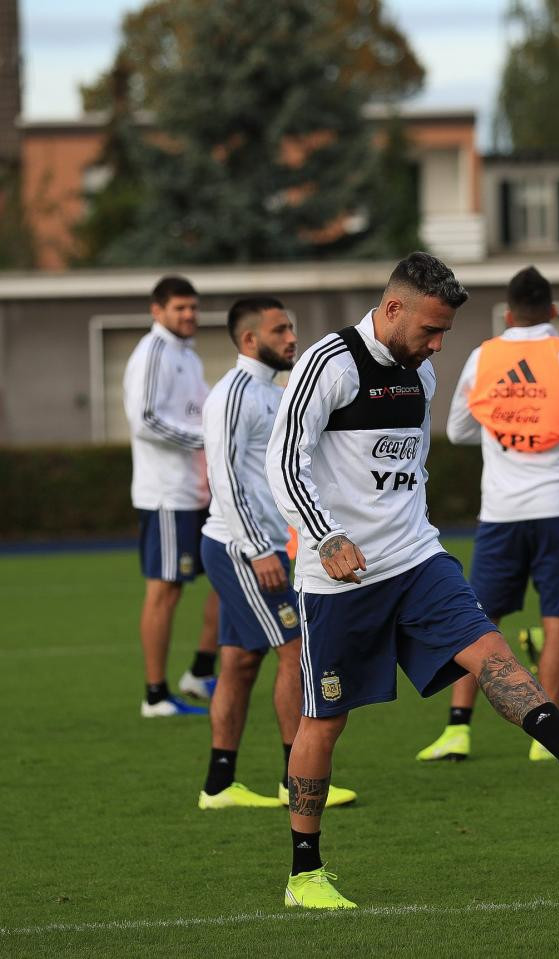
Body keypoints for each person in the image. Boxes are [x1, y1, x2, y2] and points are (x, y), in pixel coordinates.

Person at [266, 253, 559, 909]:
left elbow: (409, 467)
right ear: (393, 308)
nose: (437, 346)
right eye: (430, 329)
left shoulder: (418, 371)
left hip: (416, 558)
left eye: (445, 333)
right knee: (324, 720)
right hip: (337, 578)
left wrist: (414, 531)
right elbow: (285, 460)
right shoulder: (328, 364)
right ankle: (304, 871)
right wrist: (327, 535)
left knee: (489, 647)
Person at [416, 266, 559, 763]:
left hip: (501, 510)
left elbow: (457, 430)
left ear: (509, 312)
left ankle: (457, 731)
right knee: (558, 619)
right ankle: (549, 743)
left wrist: (505, 432)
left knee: (477, 621)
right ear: (554, 312)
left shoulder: (485, 355)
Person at [197, 297, 356, 811]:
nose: (293, 338)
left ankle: (219, 785)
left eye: (292, 327)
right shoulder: (233, 394)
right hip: (242, 548)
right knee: (295, 651)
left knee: (241, 662)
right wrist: (259, 547)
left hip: (261, 547)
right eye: (281, 330)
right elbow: (222, 476)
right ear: (249, 340)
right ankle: (295, 781)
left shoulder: (273, 391)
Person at [123, 275, 219, 717]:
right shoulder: (153, 352)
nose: (188, 315)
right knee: (165, 591)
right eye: (180, 308)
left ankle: (200, 672)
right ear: (156, 311)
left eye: (193, 308)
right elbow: (145, 420)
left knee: (226, 573)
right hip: (167, 495)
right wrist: (204, 440)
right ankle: (155, 695)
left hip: (196, 491)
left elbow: (199, 412)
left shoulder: (187, 355)